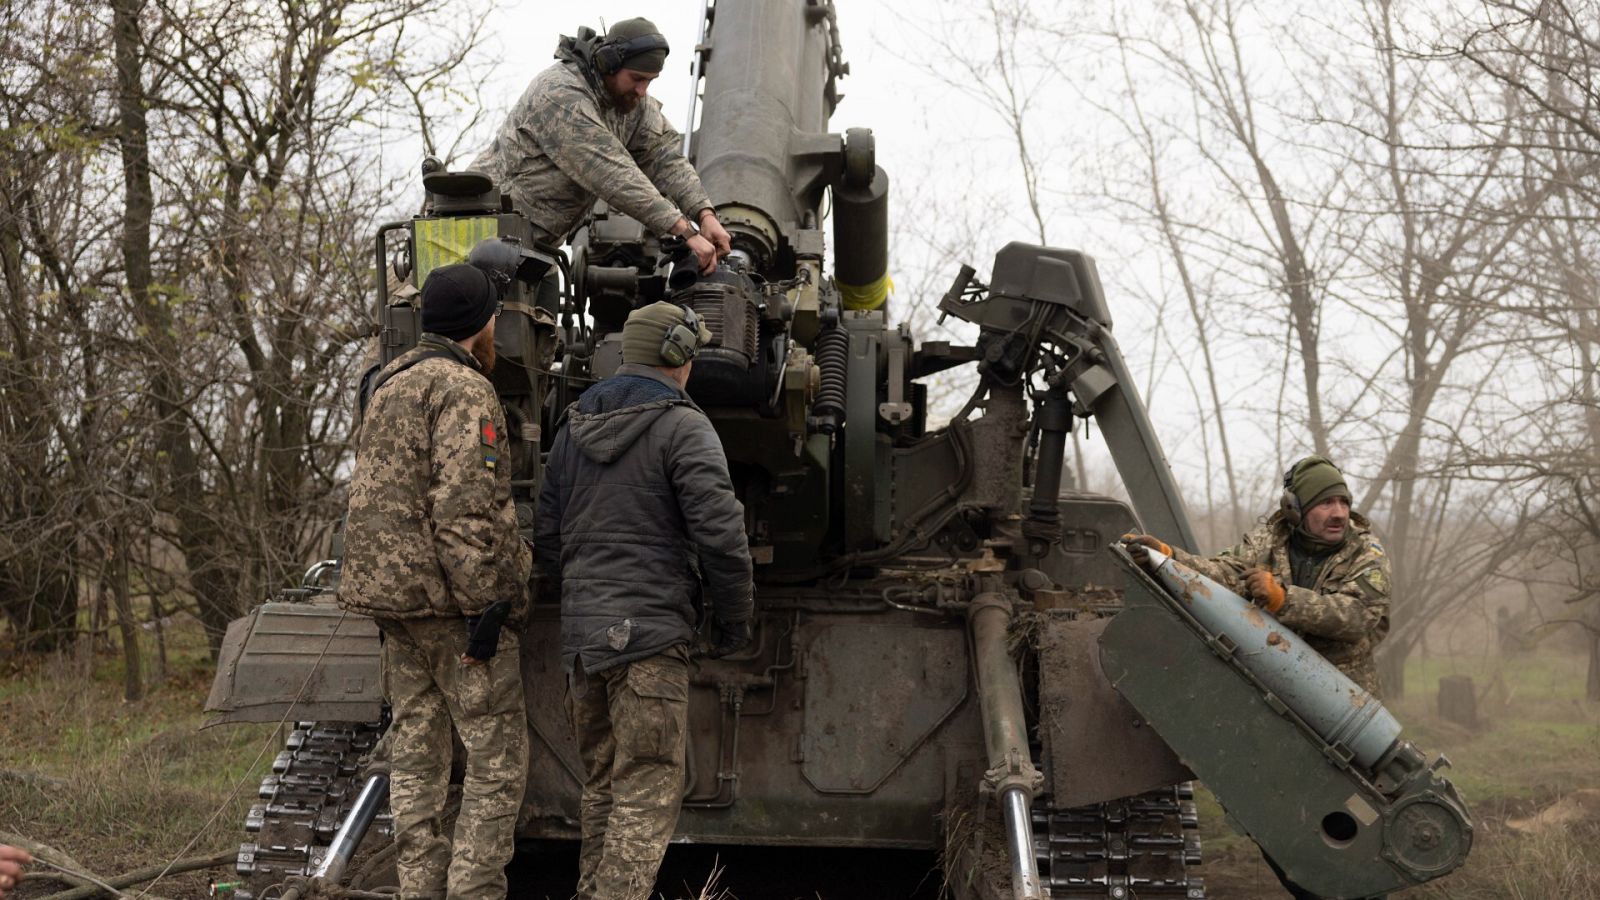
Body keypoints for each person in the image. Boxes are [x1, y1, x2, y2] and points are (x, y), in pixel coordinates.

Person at [536, 301, 754, 900]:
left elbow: (548, 537)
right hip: (651, 641)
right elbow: (722, 538)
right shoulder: (686, 427)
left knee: (603, 787)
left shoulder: (573, 427)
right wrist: (732, 622)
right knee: (647, 787)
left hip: (585, 646)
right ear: (678, 355)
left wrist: (586, 601)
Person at [338, 262, 530, 900]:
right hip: (450, 608)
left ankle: (418, 888)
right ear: (481, 324)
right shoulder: (465, 389)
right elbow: (463, 512)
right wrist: (489, 605)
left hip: (391, 604)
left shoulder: (389, 382)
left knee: (417, 757)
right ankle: (473, 892)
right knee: (497, 762)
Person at [1126, 454, 1392, 900]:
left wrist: (1284, 600)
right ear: (1296, 508)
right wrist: (1171, 559)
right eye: (1326, 502)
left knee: (1346, 828)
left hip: (1343, 718)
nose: (1339, 513)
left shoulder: (1366, 554)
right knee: (1275, 821)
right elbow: (1227, 573)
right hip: (1279, 711)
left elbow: (1357, 615)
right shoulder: (1269, 540)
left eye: (1343, 502)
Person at [473, 17, 732, 275]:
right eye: (636, 78)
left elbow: (665, 158)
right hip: (480, 236)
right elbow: (612, 173)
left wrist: (704, 215)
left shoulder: (632, 106)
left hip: (534, 249)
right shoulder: (559, 93)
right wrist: (684, 230)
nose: (642, 91)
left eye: (650, 81)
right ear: (609, 64)